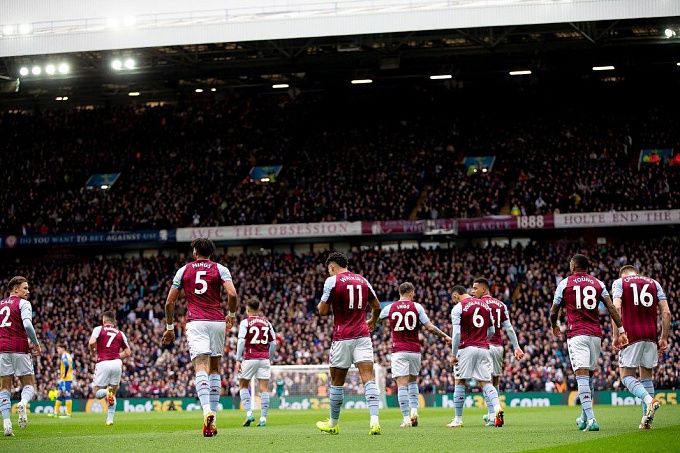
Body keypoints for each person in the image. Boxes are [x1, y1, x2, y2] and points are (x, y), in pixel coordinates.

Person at [162, 238, 238, 437]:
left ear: (195, 252)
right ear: (211, 253)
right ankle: (214, 418)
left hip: (196, 322)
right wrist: (231, 315)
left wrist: (170, 328)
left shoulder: (183, 270)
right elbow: (232, 294)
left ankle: (206, 412)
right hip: (217, 321)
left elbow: (169, 303)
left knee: (200, 367)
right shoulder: (221, 269)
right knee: (215, 368)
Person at [550, 254, 628, 432]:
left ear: (573, 266)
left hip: (577, 334)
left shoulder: (565, 283)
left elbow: (554, 311)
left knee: (582, 377)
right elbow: (611, 307)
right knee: (589, 377)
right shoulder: (598, 283)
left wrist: (554, 325)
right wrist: (622, 330)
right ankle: (584, 418)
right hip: (595, 336)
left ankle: (592, 419)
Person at [315, 251, 382, 435]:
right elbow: (377, 306)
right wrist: (373, 321)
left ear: (332, 267)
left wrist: (322, 304)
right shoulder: (363, 280)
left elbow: (322, 311)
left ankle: (333, 423)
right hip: (363, 335)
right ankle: (374, 421)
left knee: (337, 382)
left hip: (342, 337)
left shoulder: (332, 281)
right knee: (368, 378)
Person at [379, 282, 450, 428]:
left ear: (400, 292)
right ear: (411, 292)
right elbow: (429, 327)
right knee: (412, 382)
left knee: (401, 385)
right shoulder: (417, 307)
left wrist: (370, 323)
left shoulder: (389, 308)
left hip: (399, 350)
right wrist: (445, 336)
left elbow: (376, 318)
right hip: (414, 350)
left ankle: (406, 418)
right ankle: (414, 411)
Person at [611, 265, 670, 429]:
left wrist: (616, 335)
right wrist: (664, 337)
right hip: (651, 335)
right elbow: (666, 312)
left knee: (626, 376)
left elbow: (616, 307)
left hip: (631, 334)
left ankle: (649, 400)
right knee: (646, 377)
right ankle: (646, 420)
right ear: (636, 273)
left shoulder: (620, 283)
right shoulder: (654, 283)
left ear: (623, 275)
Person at [470, 277, 524, 426]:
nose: (473, 292)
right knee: (495, 381)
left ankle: (491, 414)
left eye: (475, 288)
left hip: (484, 346)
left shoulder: (476, 304)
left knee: (485, 382)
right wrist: (516, 347)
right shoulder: (501, 305)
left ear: (484, 289)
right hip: (499, 347)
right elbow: (509, 328)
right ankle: (494, 414)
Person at [448, 285, 503, 428]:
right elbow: (492, 330)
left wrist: (453, 354)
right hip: (484, 348)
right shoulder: (485, 306)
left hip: (466, 348)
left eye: (453, 298)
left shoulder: (458, 307)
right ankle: (497, 408)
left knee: (460, 381)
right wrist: (482, 339)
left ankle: (458, 419)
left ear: (455, 295)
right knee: (486, 382)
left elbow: (457, 333)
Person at [0, 276, 41, 436]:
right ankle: (23, 403)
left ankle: (6, 424)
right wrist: (35, 343)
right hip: (19, 347)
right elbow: (28, 325)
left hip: (2, 349)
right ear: (15, 289)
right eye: (25, 288)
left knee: (4, 387)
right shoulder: (23, 303)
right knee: (29, 384)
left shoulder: (0, 305)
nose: (28, 291)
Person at [236, 298, 276, 428]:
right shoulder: (267, 323)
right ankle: (263, 418)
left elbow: (241, 341)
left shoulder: (245, 322)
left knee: (243, 385)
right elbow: (273, 343)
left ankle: (249, 414)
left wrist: (238, 359)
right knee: (264, 389)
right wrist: (270, 358)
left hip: (250, 358)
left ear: (247, 309)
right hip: (264, 359)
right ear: (258, 309)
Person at [88, 311, 131, 426]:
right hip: (117, 364)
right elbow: (128, 352)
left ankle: (107, 392)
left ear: (104, 320)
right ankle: (110, 419)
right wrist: (115, 356)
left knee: (97, 392)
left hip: (103, 363)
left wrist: (93, 352)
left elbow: (91, 342)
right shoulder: (120, 333)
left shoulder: (98, 329)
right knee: (113, 393)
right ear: (114, 322)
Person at [49, 344, 74, 418]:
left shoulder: (64, 355)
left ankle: (68, 414)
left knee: (67, 394)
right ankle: (56, 412)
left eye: (58, 348)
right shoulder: (68, 355)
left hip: (66, 379)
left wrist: (65, 375)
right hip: (64, 379)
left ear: (63, 348)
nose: (57, 350)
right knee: (59, 394)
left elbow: (67, 365)